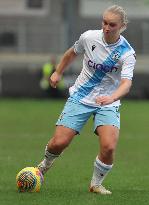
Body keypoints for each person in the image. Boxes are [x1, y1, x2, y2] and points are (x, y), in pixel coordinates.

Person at [37, 5, 136, 195]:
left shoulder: (127, 53)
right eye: (104, 22)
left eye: (112, 25)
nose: (107, 27)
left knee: (108, 147)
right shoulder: (89, 37)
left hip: (108, 101)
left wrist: (112, 98)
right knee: (59, 142)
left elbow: (126, 84)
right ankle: (44, 165)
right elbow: (71, 53)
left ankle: (96, 184)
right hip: (81, 97)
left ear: (122, 26)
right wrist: (58, 72)